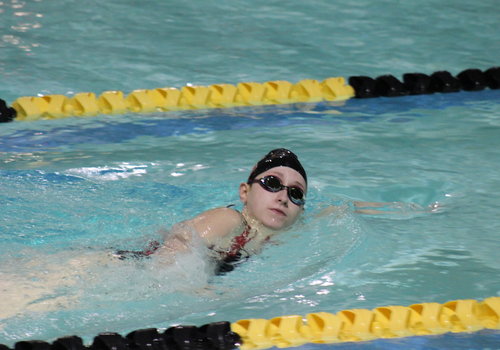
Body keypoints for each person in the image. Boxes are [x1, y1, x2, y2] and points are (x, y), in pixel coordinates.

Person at [115, 148, 309, 273]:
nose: (283, 198)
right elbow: (165, 262)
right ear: (244, 192)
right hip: (112, 269)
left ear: (300, 211)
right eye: (273, 183)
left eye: (296, 193)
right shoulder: (229, 220)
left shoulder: (269, 239)